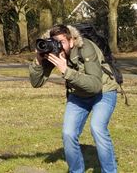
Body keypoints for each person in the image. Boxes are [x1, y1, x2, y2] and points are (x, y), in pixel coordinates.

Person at [29, 24, 119, 173]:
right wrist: (38, 61)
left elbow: (95, 85)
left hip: (103, 92)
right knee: (68, 133)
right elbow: (36, 82)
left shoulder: (86, 47)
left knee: (97, 128)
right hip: (78, 95)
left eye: (61, 42)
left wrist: (66, 70)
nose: (58, 46)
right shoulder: (55, 53)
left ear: (71, 41)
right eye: (54, 42)